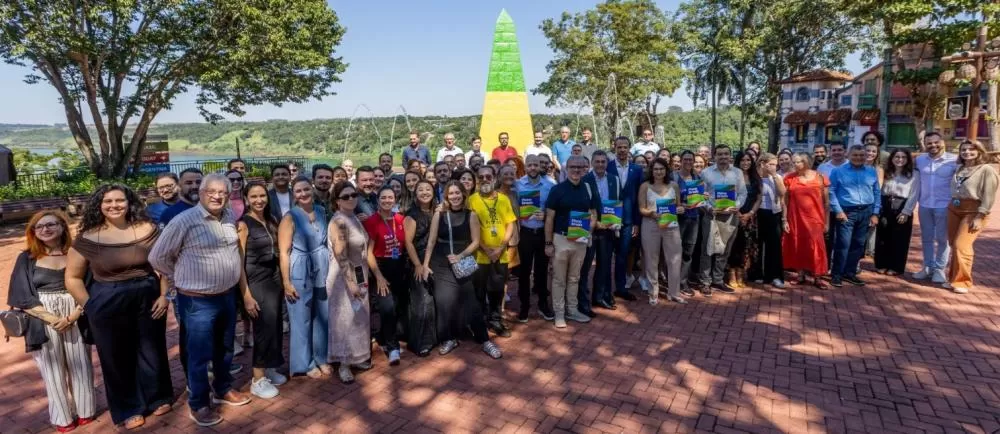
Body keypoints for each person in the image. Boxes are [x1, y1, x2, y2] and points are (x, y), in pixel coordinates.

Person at [148, 174, 252, 427]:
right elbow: (158, 257)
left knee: (225, 347)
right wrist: (180, 275)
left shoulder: (228, 217)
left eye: (222, 193)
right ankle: (199, 403)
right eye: (212, 192)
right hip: (197, 302)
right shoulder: (184, 220)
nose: (217, 196)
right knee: (198, 355)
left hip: (226, 296)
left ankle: (222, 388)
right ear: (202, 192)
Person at [65, 184, 171, 429]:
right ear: (99, 206)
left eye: (119, 200)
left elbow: (165, 264)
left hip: (148, 295)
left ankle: (158, 396)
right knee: (115, 356)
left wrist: (165, 295)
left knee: (152, 348)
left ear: (129, 202)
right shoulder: (89, 237)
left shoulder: (147, 228)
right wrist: (89, 306)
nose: (114, 205)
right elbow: (72, 277)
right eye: (108, 201)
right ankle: (129, 407)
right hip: (106, 299)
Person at [7, 211, 95, 432]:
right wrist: (56, 320)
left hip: (76, 312)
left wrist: (74, 315)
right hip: (42, 316)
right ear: (33, 231)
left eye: (51, 225)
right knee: (52, 369)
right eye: (39, 226)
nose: (45, 229)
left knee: (81, 364)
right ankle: (62, 417)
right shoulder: (26, 258)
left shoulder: (76, 253)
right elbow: (22, 294)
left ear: (62, 227)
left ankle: (86, 410)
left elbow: (90, 284)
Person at [422, 181, 503, 358]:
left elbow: (475, 241)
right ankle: (449, 338)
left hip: (462, 261)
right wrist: (425, 264)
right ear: (446, 197)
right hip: (441, 263)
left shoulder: (471, 215)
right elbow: (431, 241)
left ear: (463, 194)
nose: (455, 196)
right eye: (451, 194)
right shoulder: (439, 215)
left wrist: (461, 255)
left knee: (471, 303)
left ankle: (484, 340)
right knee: (444, 303)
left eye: (457, 193)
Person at [236, 182, 287, 399]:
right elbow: (238, 263)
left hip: (273, 279)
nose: (259, 200)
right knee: (262, 330)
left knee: (275, 326)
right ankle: (257, 379)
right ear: (246, 199)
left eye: (262, 196)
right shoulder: (243, 225)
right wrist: (246, 295)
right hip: (255, 281)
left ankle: (270, 368)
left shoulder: (271, 219)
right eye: (254, 196)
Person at [278, 176, 331, 379]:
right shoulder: (289, 218)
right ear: (294, 194)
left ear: (312, 189)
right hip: (300, 270)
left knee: (322, 316)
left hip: (321, 267)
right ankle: (304, 363)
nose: (303, 194)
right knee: (301, 319)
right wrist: (286, 282)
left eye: (306, 189)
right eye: (299, 191)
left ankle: (321, 356)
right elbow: (284, 252)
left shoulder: (320, 211)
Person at [326, 182, 375, 383]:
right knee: (344, 320)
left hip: (359, 270)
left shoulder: (353, 217)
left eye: (353, 195)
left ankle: (357, 357)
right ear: (337, 201)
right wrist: (351, 283)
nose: (351, 199)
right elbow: (340, 255)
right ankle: (344, 364)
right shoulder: (340, 222)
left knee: (359, 317)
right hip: (343, 277)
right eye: (345, 196)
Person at [545, 155, 600, 327]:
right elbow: (549, 218)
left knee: (575, 278)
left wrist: (589, 229)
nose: (576, 170)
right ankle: (559, 313)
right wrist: (548, 243)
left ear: (585, 169)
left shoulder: (588, 188)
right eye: (572, 167)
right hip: (561, 238)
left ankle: (572, 310)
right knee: (559, 279)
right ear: (566, 169)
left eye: (580, 167)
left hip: (580, 240)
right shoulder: (557, 190)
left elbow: (593, 213)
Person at [469, 165, 517, 337]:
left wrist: (501, 247)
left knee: (497, 290)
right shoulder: (472, 200)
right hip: (480, 256)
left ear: (494, 178)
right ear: (477, 179)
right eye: (481, 177)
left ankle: (496, 320)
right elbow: (471, 228)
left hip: (500, 255)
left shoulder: (503, 199)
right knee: (479, 291)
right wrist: (486, 249)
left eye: (488, 177)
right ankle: (481, 321)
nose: (485, 180)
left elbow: (510, 223)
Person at [944, 140, 998, 294]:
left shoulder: (986, 169)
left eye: (971, 149)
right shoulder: (960, 168)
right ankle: (953, 278)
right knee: (953, 244)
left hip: (973, 211)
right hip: (954, 208)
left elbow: (989, 195)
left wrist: (980, 215)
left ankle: (963, 281)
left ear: (980, 151)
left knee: (962, 245)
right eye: (964, 150)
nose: (967, 152)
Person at [363, 186, 408, 365]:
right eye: (383, 198)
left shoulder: (400, 219)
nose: (387, 201)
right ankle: (393, 347)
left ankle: (384, 338)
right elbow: (369, 253)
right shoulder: (372, 221)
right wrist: (379, 276)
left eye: (390, 198)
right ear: (378, 200)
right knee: (387, 308)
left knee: (395, 307)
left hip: (399, 266)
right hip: (381, 267)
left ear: (395, 200)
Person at [828, 145, 880, 287]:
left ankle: (849, 273)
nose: (858, 158)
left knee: (858, 244)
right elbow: (831, 191)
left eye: (861, 155)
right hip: (846, 212)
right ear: (848, 155)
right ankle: (836, 274)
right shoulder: (838, 171)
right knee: (843, 244)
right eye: (855, 155)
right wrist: (838, 211)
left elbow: (876, 192)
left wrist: (875, 213)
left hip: (866, 211)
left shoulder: (871, 171)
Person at [699, 145, 748, 294]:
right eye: (720, 154)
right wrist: (708, 207)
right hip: (712, 215)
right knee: (707, 250)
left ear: (730, 156)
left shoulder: (737, 173)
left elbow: (742, 193)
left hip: (731, 216)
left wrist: (737, 206)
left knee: (724, 250)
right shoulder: (706, 173)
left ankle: (718, 280)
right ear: (714, 156)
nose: (723, 157)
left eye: (726, 154)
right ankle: (704, 282)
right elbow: (700, 195)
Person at [637, 158, 686, 305]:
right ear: (651, 171)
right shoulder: (645, 186)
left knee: (675, 259)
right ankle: (653, 293)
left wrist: (680, 209)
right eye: (656, 169)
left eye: (661, 169)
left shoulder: (674, 186)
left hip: (671, 226)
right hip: (651, 224)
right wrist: (651, 213)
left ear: (667, 170)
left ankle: (674, 292)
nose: (659, 172)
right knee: (652, 259)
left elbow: (678, 205)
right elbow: (641, 208)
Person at [515, 155, 557, 322]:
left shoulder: (550, 185)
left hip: (542, 233)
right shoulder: (518, 185)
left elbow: (555, 209)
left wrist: (545, 214)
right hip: (524, 233)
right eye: (530, 165)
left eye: (536, 165)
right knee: (524, 272)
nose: (533, 168)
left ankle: (542, 304)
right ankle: (524, 306)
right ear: (525, 167)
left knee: (541, 271)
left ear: (541, 166)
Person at [913, 132, 957, 283]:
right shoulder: (920, 160)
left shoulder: (954, 160)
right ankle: (927, 267)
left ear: (942, 142)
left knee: (943, 239)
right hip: (924, 205)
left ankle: (939, 269)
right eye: (929, 143)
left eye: (936, 142)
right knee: (926, 238)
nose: (933, 145)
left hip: (944, 206)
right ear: (925, 144)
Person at [782, 153, 830, 289]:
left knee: (816, 246)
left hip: (815, 219)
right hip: (795, 218)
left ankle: (818, 276)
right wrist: (784, 220)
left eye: (798, 162)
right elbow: (785, 201)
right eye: (794, 162)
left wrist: (827, 222)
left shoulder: (820, 178)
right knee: (798, 244)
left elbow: (827, 203)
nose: (795, 164)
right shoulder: (789, 178)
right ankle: (800, 274)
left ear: (806, 162)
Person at [581, 150, 620, 311]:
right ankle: (582, 301)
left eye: (603, 162)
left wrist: (616, 222)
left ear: (606, 163)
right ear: (592, 163)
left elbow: (618, 202)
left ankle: (600, 296)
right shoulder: (585, 180)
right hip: (590, 229)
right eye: (597, 161)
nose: (600, 165)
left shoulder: (614, 180)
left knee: (604, 264)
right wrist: (593, 224)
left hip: (608, 229)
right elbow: (582, 206)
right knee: (585, 266)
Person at [403, 180, 438, 356]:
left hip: (435, 261)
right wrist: (417, 264)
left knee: (433, 300)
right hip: (417, 260)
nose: (425, 192)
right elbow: (408, 242)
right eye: (420, 190)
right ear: (415, 194)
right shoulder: (411, 215)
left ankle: (433, 338)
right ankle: (419, 342)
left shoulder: (437, 211)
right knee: (422, 301)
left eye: (428, 189)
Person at [607, 137, 644, 301]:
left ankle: (621, 288)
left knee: (623, 254)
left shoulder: (636, 170)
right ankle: (605, 289)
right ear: (614, 148)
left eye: (625, 147)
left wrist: (637, 222)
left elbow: (639, 198)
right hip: (609, 219)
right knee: (606, 256)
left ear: (629, 148)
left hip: (628, 220)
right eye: (619, 147)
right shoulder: (606, 167)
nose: (622, 150)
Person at [874, 149, 919, 276]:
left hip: (902, 204)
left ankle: (896, 266)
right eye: (897, 157)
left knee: (900, 238)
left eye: (903, 157)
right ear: (892, 158)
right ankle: (881, 264)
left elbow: (914, 194)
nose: (900, 159)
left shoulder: (914, 174)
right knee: (883, 236)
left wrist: (906, 212)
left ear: (908, 159)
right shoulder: (886, 172)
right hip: (885, 203)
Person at [676, 150, 709, 296]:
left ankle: (683, 281)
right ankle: (672, 281)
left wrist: (704, 197)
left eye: (691, 160)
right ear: (681, 160)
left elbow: (701, 198)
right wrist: (681, 204)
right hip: (678, 219)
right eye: (686, 159)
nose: (688, 162)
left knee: (688, 251)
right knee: (675, 251)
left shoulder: (698, 177)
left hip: (694, 218)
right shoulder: (673, 177)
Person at [727, 151, 761, 289]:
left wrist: (750, 213)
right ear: (738, 162)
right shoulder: (732, 176)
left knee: (745, 247)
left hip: (750, 217)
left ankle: (741, 273)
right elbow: (728, 196)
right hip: (734, 215)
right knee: (733, 245)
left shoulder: (755, 178)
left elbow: (759, 198)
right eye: (742, 160)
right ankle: (731, 274)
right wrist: (739, 213)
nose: (745, 163)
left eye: (748, 160)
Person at [756, 153, 786, 287]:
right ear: (762, 164)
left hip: (774, 214)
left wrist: (774, 176)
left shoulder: (777, 177)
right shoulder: (756, 178)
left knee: (774, 245)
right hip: (759, 214)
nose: (774, 167)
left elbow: (782, 193)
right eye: (771, 164)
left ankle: (776, 276)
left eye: (775, 164)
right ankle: (761, 274)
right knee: (759, 245)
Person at [817, 142, 848, 270]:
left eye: (839, 150)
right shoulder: (822, 167)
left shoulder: (850, 166)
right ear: (830, 152)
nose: (837, 152)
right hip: (827, 208)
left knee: (843, 239)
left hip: (845, 208)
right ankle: (826, 265)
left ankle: (841, 267)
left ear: (845, 151)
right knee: (827, 237)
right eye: (834, 150)